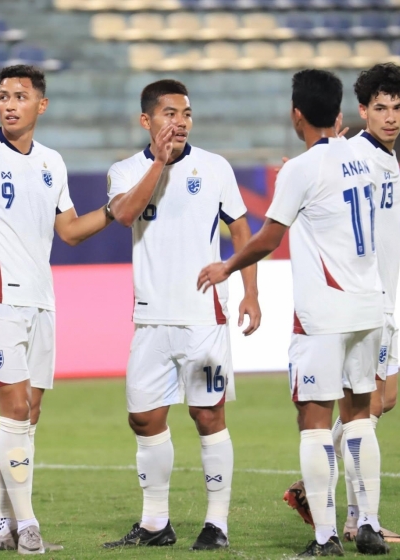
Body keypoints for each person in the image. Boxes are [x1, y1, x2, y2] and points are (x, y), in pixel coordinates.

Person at [198, 69, 389, 557]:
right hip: (369, 305)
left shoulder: (300, 170)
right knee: (361, 414)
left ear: (296, 114)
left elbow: (268, 237)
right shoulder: (363, 156)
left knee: (314, 419)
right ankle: (367, 524)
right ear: (341, 113)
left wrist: (227, 266)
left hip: (323, 312)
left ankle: (325, 537)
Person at [0, 65, 112, 555]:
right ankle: (29, 527)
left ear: (41, 106)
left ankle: (4, 522)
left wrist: (115, 211)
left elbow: (69, 231)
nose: (9, 104)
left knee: (28, 416)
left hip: (41, 300)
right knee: (13, 406)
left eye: (20, 96)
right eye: (3, 96)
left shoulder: (52, 162)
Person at [102, 79, 261, 551]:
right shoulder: (124, 170)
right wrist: (159, 164)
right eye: (170, 114)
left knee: (208, 415)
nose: (181, 122)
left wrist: (250, 291)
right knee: (144, 418)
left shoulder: (215, 167)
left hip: (201, 316)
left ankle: (217, 524)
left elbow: (240, 228)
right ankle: (155, 523)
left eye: (186, 114)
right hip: (151, 317)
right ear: (146, 120)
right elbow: (126, 214)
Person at [283, 63, 400, 546]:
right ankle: (357, 518)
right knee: (367, 405)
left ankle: (352, 513)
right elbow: (318, 170)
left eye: (398, 107)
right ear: (361, 112)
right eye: (379, 108)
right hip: (358, 302)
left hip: (381, 299)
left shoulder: (386, 156)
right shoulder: (356, 153)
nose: (390, 117)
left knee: (382, 401)